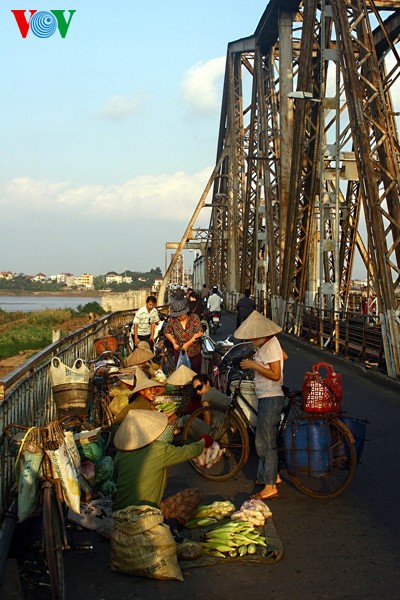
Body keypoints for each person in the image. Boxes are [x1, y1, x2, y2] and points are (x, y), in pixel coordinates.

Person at [113, 410, 212, 514]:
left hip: (120, 513)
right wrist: (204, 441)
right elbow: (188, 452)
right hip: (146, 513)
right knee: (194, 495)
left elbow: (115, 483)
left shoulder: (119, 456)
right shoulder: (158, 449)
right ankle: (172, 523)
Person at [235, 310, 287, 501]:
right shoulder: (269, 345)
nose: (251, 339)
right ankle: (271, 475)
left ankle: (270, 486)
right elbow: (284, 357)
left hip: (271, 396)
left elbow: (275, 375)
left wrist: (253, 365)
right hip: (266, 395)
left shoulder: (270, 345)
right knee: (263, 439)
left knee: (265, 442)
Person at [163, 299, 204, 373]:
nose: (179, 317)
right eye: (177, 316)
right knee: (181, 374)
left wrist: (187, 344)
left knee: (195, 374)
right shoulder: (173, 320)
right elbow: (166, 331)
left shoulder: (194, 317)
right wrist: (174, 343)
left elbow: (199, 332)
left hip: (194, 351)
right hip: (179, 352)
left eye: (181, 315)